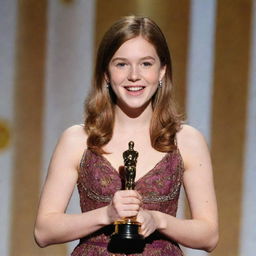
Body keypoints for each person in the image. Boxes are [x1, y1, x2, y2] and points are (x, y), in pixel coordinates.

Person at [34, 15, 219, 255]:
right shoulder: (78, 140)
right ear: (106, 75)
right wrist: (106, 214)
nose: (134, 75)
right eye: (121, 64)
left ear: (162, 71)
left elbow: (209, 235)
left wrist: (159, 220)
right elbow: (44, 231)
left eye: (146, 64)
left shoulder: (186, 140)